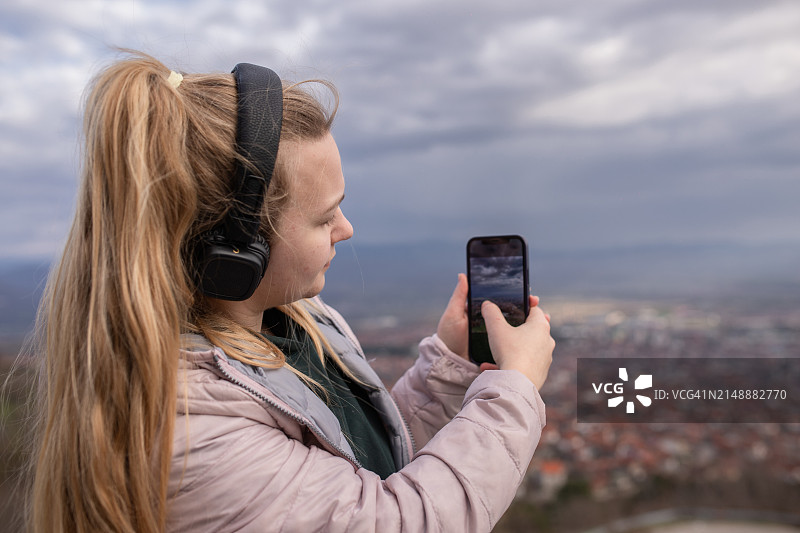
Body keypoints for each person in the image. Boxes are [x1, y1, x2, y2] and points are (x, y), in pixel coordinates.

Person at [27, 51, 555, 532]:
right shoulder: (184, 429)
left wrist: (448, 370)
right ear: (234, 247)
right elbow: (400, 520)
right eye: (325, 217)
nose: (345, 230)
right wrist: (515, 387)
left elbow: (357, 474)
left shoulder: (297, 321)